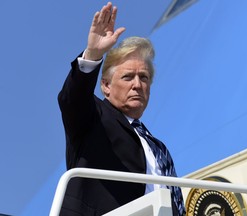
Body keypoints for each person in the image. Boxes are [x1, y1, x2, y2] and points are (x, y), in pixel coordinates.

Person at [58, 2, 186, 216]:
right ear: (105, 85)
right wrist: (92, 54)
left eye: (144, 77)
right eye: (128, 77)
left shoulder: (157, 147)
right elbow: (72, 99)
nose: (137, 84)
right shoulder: (93, 117)